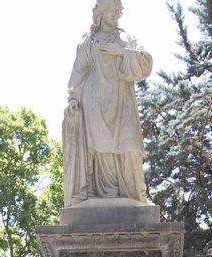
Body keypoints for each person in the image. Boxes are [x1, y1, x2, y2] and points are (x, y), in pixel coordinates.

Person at [62, 0, 154, 205]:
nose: (115, 14)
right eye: (110, 10)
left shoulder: (127, 39)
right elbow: (78, 72)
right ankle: (105, 194)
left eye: (118, 10)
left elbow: (145, 64)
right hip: (94, 103)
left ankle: (133, 195)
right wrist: (73, 98)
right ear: (99, 12)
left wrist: (120, 51)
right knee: (101, 149)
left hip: (123, 103)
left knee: (130, 147)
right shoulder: (89, 42)